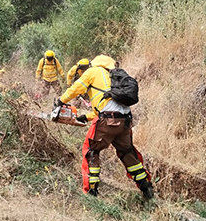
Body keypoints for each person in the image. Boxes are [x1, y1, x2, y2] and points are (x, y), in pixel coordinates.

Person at [55, 55, 153, 199]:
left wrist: (61, 101)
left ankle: (91, 192)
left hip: (107, 120)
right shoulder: (114, 77)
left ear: (95, 63)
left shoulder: (94, 71)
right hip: (125, 121)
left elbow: (76, 88)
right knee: (127, 152)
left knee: (91, 150)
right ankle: (146, 188)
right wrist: (86, 117)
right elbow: (107, 107)